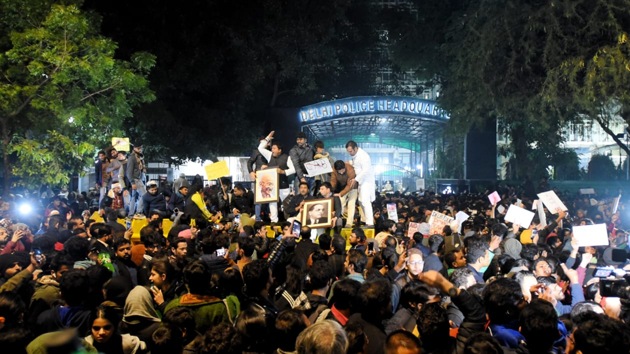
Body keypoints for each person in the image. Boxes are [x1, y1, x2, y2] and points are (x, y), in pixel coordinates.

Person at [257, 131, 296, 223]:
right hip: (272, 186)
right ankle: (274, 222)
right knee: (272, 204)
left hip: (283, 185)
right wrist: (267, 138)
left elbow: (293, 169)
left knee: (287, 204)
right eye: (272, 148)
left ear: (280, 150)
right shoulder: (269, 155)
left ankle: (288, 221)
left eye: (274, 148)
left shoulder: (287, 157)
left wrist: (283, 171)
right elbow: (260, 148)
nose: (272, 150)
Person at [345, 141, 375, 227]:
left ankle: (370, 223)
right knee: (361, 201)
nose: (350, 153)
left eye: (351, 151)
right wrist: (349, 162)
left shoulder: (364, 156)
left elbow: (365, 170)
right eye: (348, 151)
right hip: (361, 181)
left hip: (366, 181)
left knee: (365, 201)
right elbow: (356, 164)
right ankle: (367, 220)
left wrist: (356, 179)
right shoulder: (356, 156)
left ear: (355, 148)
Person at [126, 141, 146, 215]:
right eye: (138, 148)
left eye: (141, 148)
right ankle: (138, 212)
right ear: (134, 148)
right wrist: (132, 182)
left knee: (133, 197)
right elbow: (128, 172)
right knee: (144, 195)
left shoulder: (139, 156)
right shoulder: (132, 157)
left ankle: (131, 214)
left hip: (138, 178)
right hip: (135, 179)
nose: (140, 149)